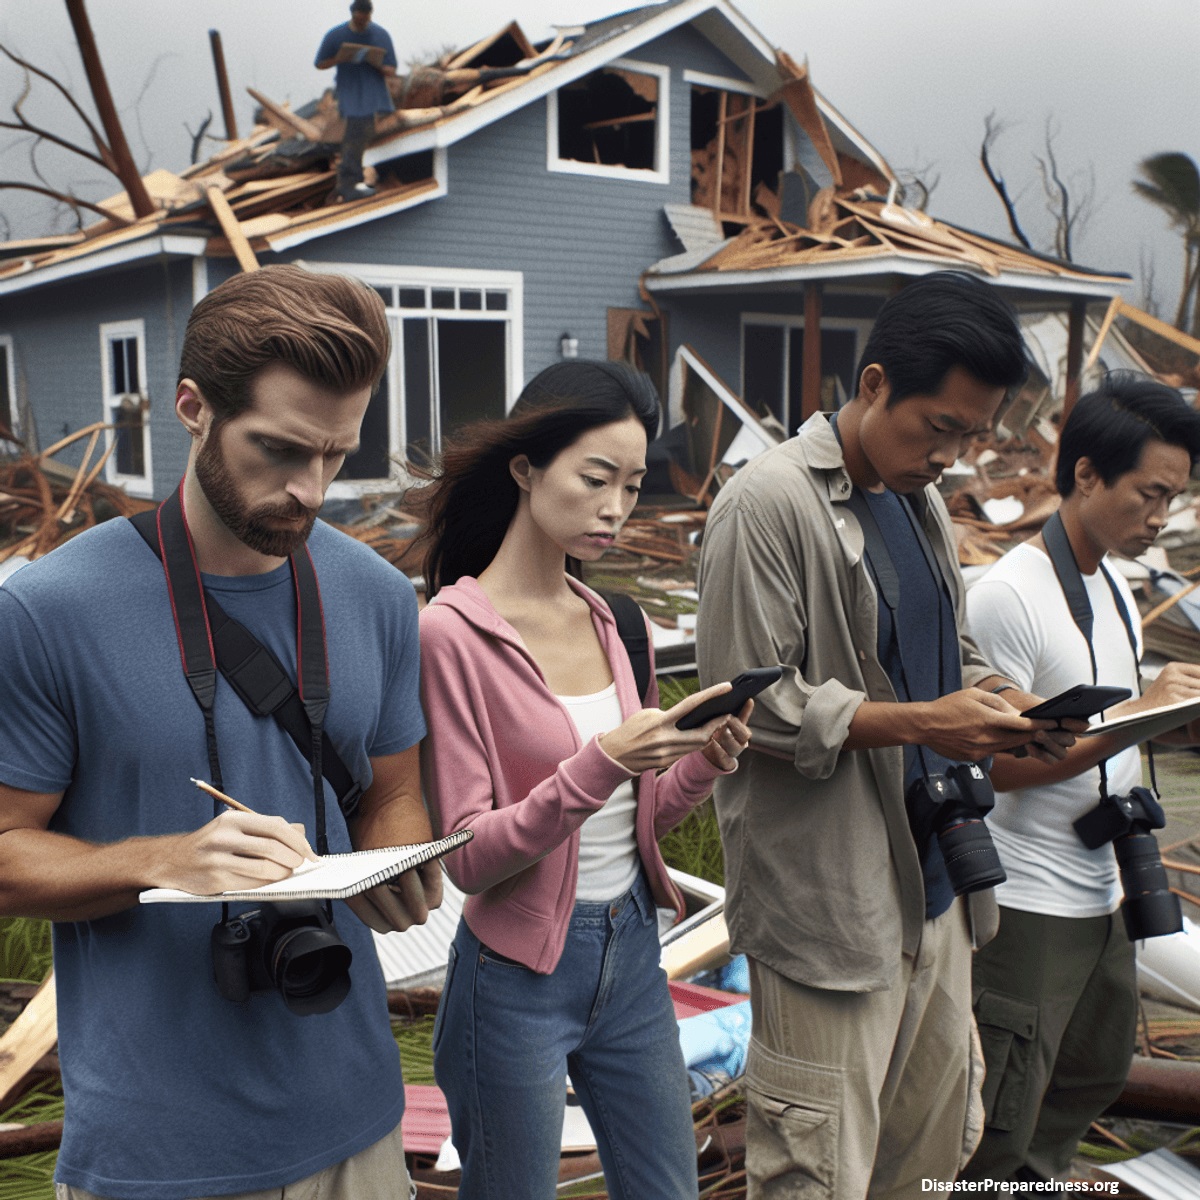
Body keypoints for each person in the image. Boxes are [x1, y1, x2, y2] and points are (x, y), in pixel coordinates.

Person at [0, 265, 437, 1200]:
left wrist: (396, 860)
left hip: (361, 1124)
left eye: (336, 454)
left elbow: (395, 791)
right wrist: (158, 860)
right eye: (279, 450)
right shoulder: (48, 610)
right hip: (157, 1152)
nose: (310, 490)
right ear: (193, 408)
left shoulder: (376, 595)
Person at [696, 271, 1079, 1199]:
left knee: (927, 1155)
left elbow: (938, 652)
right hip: (830, 907)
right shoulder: (768, 504)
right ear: (873, 386)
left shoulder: (921, 505)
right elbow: (742, 703)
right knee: (818, 1170)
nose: (951, 453)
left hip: (935, 889)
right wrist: (923, 723)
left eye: (971, 434)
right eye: (938, 427)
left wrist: (996, 697)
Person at [416, 360, 753, 1200]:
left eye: (633, 487)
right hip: (515, 976)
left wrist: (702, 765)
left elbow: (634, 822)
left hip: (635, 955)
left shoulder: (616, 620)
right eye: (595, 478)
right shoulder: (450, 634)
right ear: (526, 469)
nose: (615, 507)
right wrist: (601, 762)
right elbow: (468, 857)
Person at [961, 372, 1200, 1184]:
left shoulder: (1114, 584)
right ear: (1088, 473)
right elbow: (990, 759)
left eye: (1174, 497)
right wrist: (1143, 710)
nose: (1162, 517)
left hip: (1102, 889)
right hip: (1025, 904)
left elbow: (1098, 732)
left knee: (1091, 1074)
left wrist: (1164, 716)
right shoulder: (1006, 596)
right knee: (1001, 1116)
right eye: (1149, 493)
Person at [315, 0, 397, 201]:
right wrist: (340, 58)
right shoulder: (336, 35)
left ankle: (363, 178)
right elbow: (320, 63)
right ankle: (349, 183)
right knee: (355, 134)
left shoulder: (380, 35)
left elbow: (391, 69)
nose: (363, 24)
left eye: (366, 21)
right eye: (359, 21)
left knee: (371, 133)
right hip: (350, 93)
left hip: (373, 94)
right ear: (353, 14)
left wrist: (374, 61)